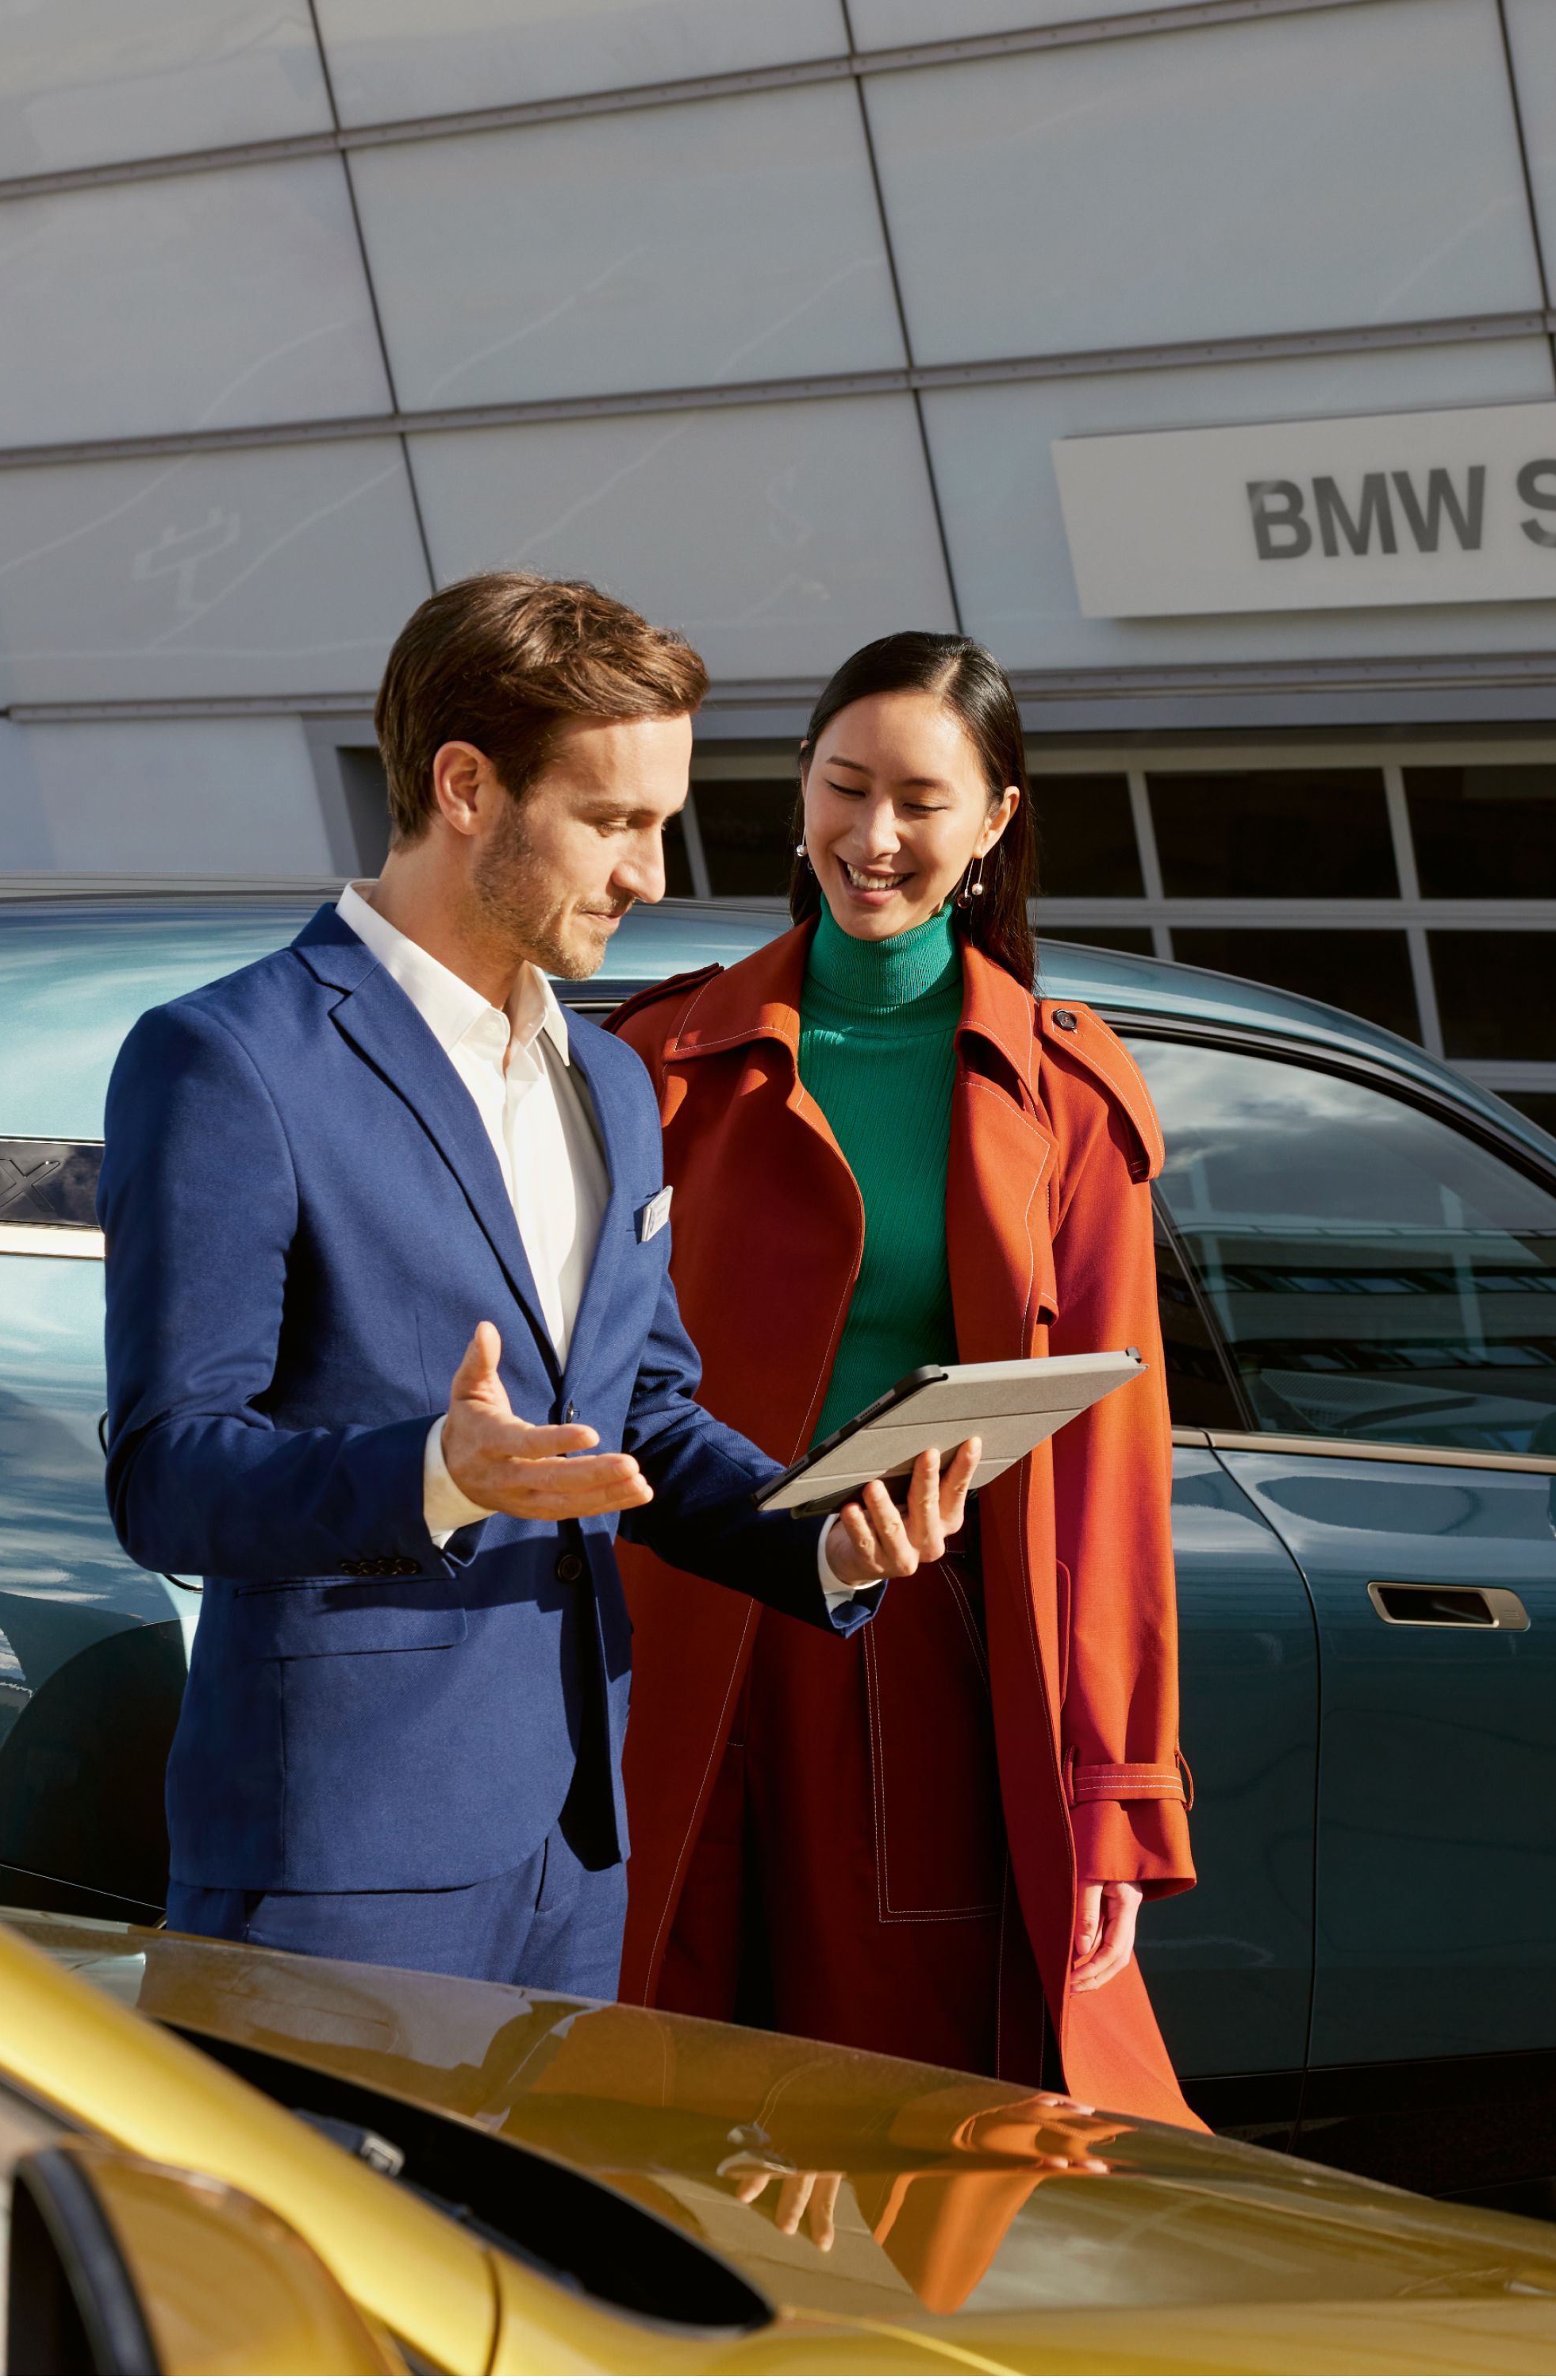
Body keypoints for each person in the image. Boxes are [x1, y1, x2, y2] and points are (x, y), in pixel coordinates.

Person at [98, 574, 973, 1998]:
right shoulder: (229, 1062)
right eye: (614, 823)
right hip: (340, 1853)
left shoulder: (615, 1082)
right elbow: (166, 1476)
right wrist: (436, 1474)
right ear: (465, 787)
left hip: (578, 1840)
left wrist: (822, 1535)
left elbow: (645, 1415)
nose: (650, 874)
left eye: (662, 825)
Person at [609, 631, 1198, 2125]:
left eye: (921, 802)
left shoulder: (1065, 1091)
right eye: (842, 788)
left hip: (919, 1660)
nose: (872, 839)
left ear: (996, 820)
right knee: (637, 2112)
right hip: (659, 1641)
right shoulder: (653, 1059)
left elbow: (1113, 1467)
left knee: (906, 2135)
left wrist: (1119, 1799)